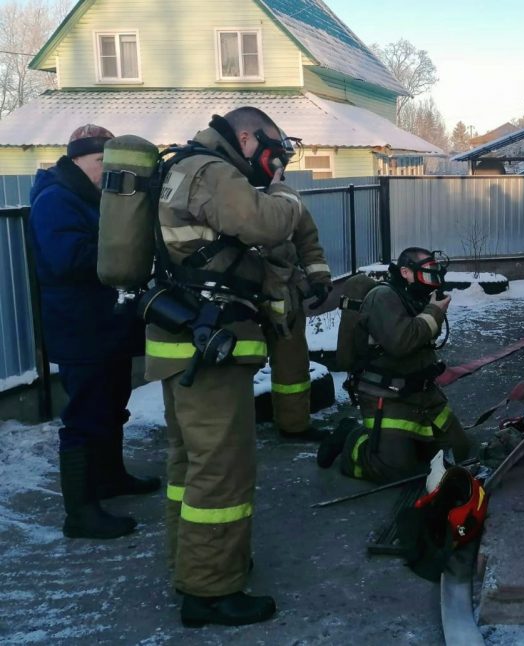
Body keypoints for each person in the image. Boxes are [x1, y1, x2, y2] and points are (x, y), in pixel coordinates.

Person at [145, 107, 304, 627]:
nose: (273, 159)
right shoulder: (212, 171)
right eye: (271, 148)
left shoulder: (183, 167)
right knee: (222, 470)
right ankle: (210, 592)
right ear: (245, 136)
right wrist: (283, 191)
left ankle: (191, 562)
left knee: (187, 465)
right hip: (208, 350)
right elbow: (266, 221)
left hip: (183, 342)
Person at [28, 124, 159, 541]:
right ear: (78, 159)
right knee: (84, 416)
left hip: (107, 324)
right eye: (101, 161)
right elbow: (67, 259)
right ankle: (80, 513)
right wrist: (126, 252)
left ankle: (110, 478)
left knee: (112, 404)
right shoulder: (56, 199)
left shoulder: (95, 198)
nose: (107, 170)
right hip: (79, 325)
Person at [317, 247, 471, 483]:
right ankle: (351, 437)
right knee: (396, 471)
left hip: (424, 395)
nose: (434, 281)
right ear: (406, 272)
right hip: (388, 397)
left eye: (436, 274)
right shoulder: (383, 297)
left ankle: (408, 444)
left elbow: (422, 340)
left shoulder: (413, 297)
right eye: (428, 274)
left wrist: (430, 311)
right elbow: (401, 342)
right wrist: (433, 313)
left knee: (461, 452)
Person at [262, 205, 333, 441]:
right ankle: (228, 427)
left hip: (285, 294)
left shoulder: (285, 198)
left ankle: (294, 425)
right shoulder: (228, 186)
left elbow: (308, 241)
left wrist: (319, 279)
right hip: (238, 293)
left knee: (292, 363)